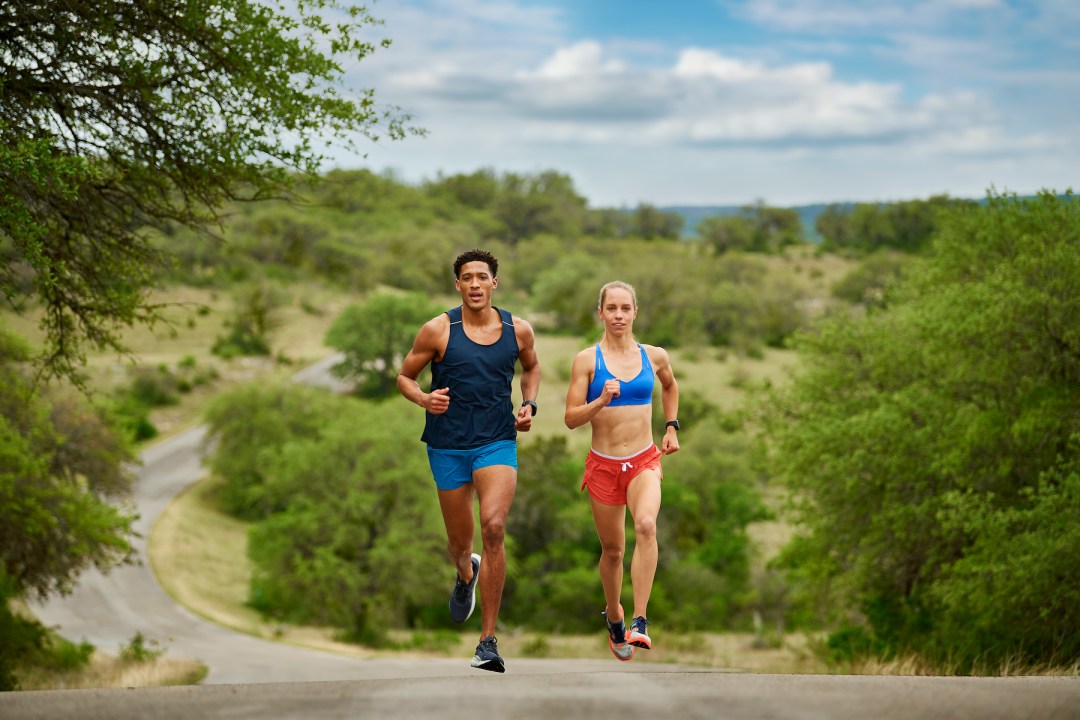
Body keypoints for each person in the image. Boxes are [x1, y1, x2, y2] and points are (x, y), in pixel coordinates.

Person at [396, 248, 540, 673]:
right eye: (467, 278)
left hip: (496, 441)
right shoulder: (437, 330)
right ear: (457, 284)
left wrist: (530, 404)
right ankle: (465, 574)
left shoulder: (519, 329)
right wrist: (423, 397)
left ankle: (487, 642)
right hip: (447, 445)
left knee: (494, 527)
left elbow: (531, 369)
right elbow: (405, 376)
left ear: (495, 282)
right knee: (461, 545)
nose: (475, 284)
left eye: (482, 277)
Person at [563, 280, 679, 661]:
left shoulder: (654, 355)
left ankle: (640, 620)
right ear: (601, 313)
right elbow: (570, 419)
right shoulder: (586, 360)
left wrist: (671, 427)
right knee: (612, 551)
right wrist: (600, 399)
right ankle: (614, 615)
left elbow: (670, 386)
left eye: (624, 308)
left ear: (635, 312)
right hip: (604, 466)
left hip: (644, 461)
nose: (618, 315)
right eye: (611, 308)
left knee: (646, 525)